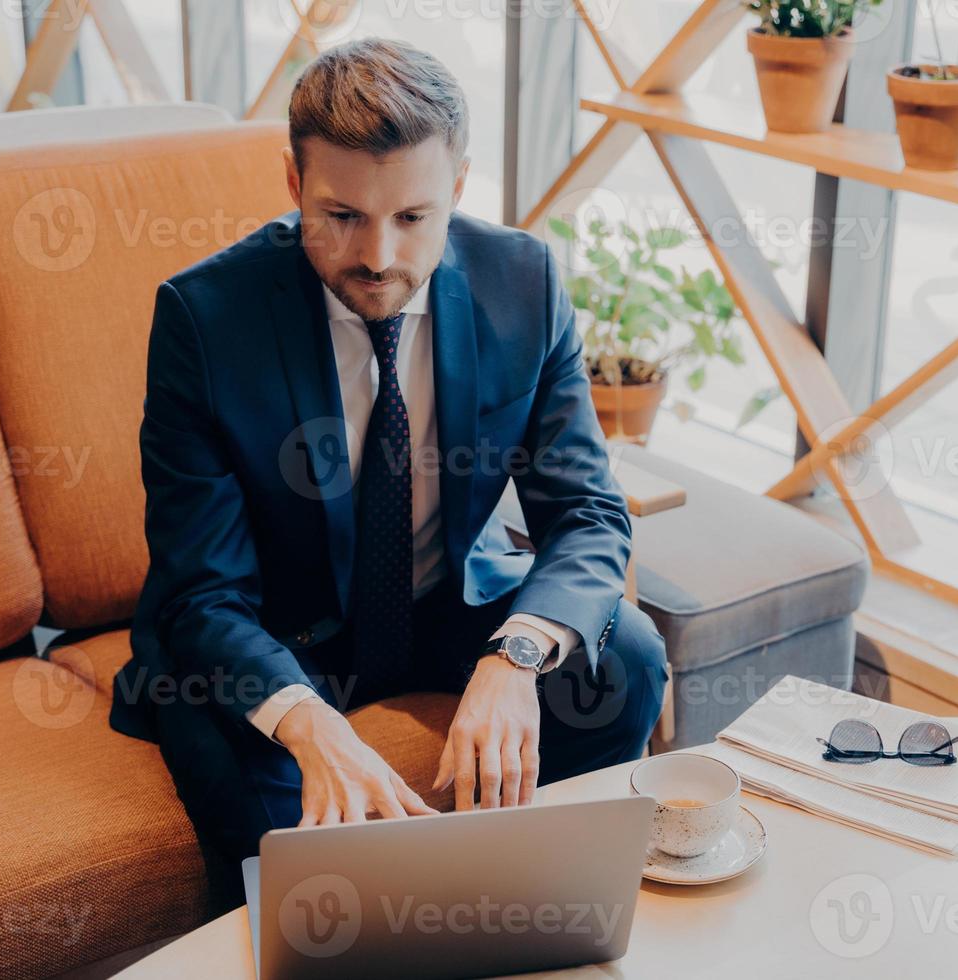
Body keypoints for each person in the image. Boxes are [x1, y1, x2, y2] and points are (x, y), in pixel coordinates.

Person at [109, 38, 668, 887]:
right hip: (276, 635)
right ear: (294, 186)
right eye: (341, 216)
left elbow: (587, 512)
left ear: (459, 189)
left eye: (413, 218)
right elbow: (201, 593)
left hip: (449, 604)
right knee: (296, 861)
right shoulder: (204, 319)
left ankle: (538, 899)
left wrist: (514, 659)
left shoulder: (524, 282)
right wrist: (309, 724)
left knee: (625, 657)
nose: (377, 255)